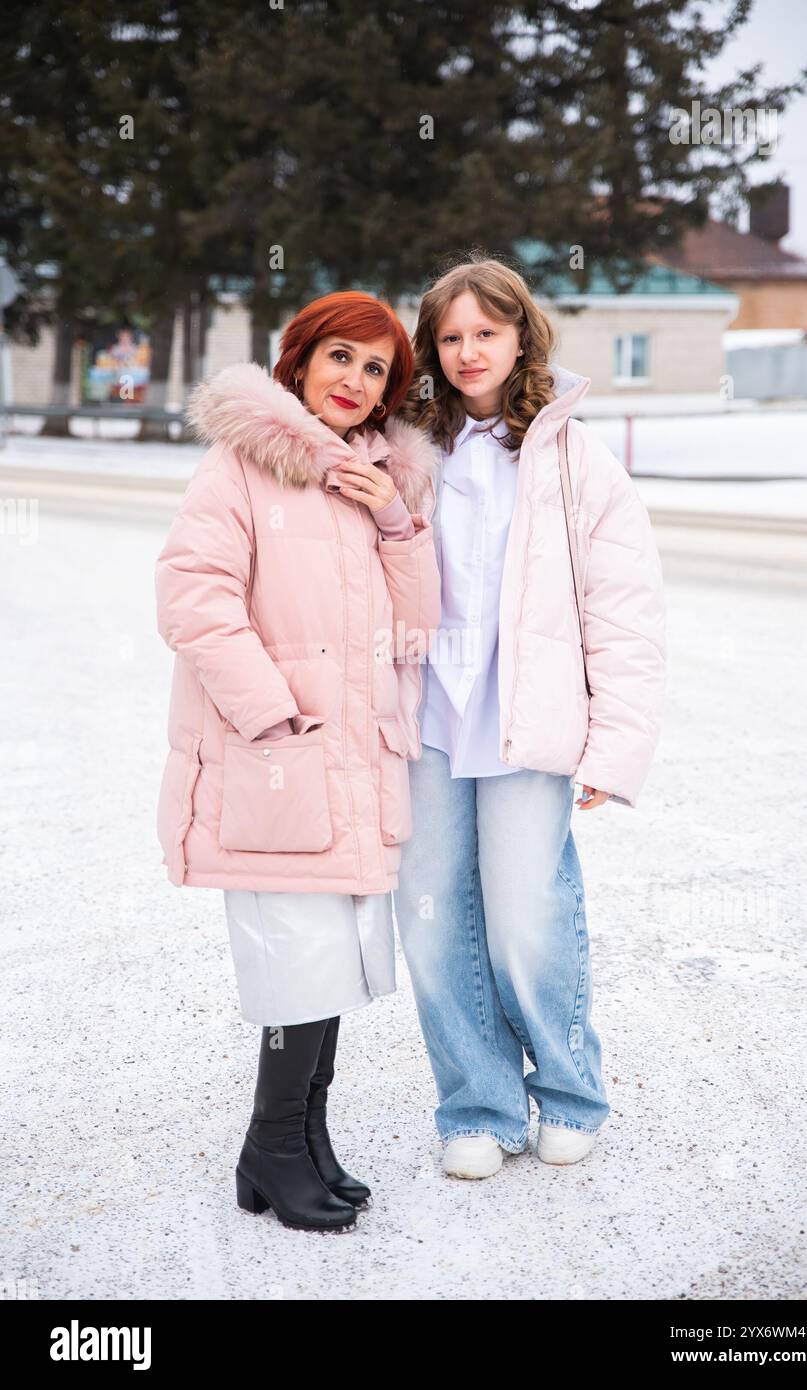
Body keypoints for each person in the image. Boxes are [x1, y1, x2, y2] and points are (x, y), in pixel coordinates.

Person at [154, 290, 441, 1230]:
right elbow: (193, 596)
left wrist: (397, 522)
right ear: (300, 362)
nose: (355, 382)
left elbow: (416, 633)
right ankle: (276, 1148)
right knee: (296, 963)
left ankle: (297, 1144)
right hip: (278, 760)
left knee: (337, 967)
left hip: (355, 766)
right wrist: (270, 716)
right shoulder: (242, 465)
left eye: (375, 369)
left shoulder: (374, 479)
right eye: (340, 359)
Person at [394, 257, 667, 1179]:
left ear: (521, 338)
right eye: (451, 336)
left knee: (524, 916)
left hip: (528, 725)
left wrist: (613, 747)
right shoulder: (403, 452)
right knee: (432, 920)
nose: (469, 352)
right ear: (432, 348)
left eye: (487, 333)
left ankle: (569, 1089)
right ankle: (477, 1103)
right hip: (425, 723)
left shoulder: (573, 459)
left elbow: (624, 612)